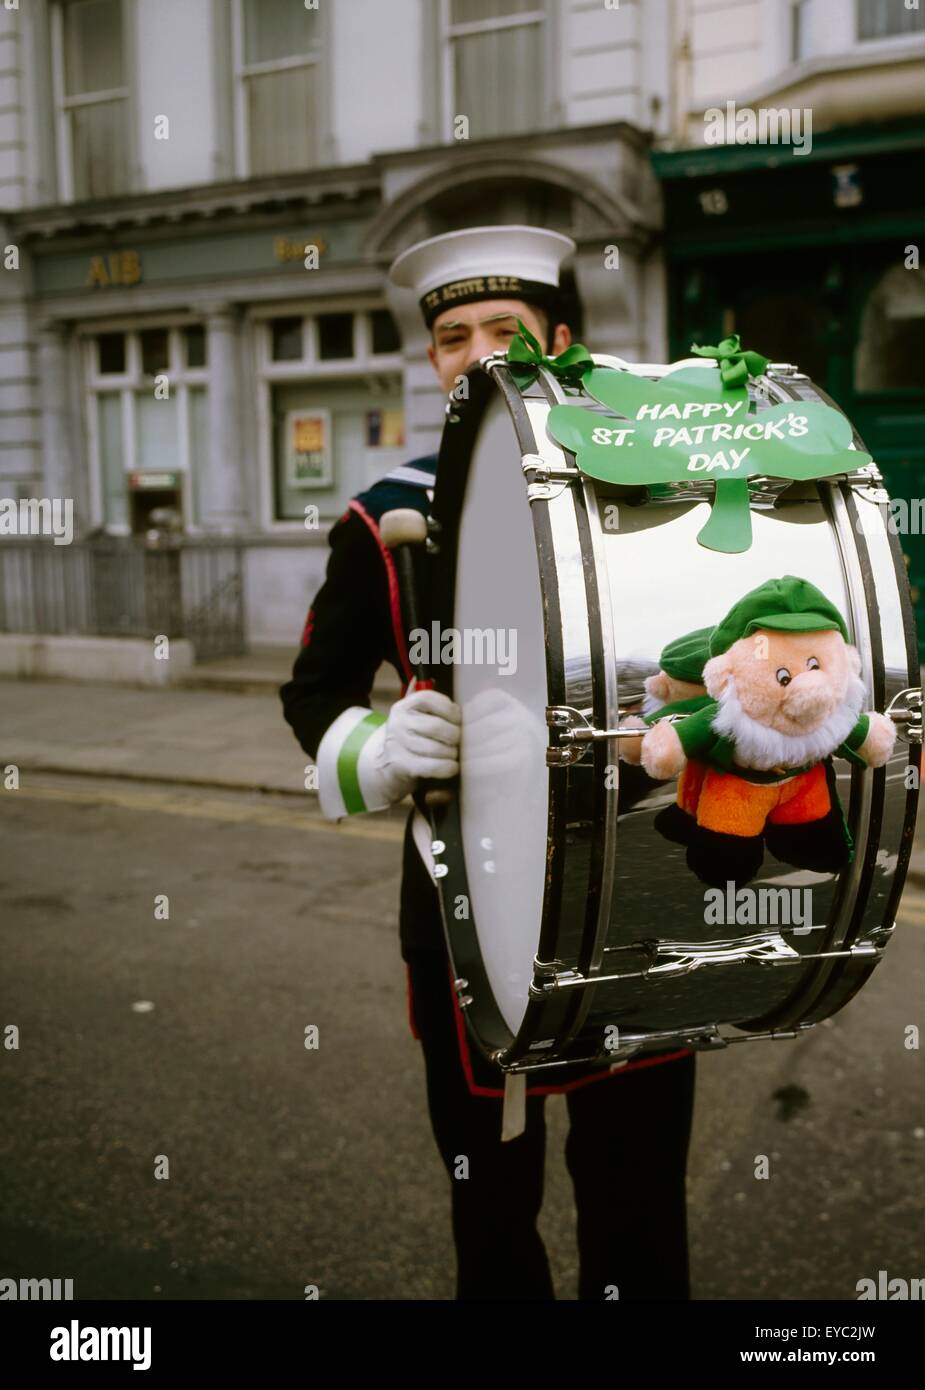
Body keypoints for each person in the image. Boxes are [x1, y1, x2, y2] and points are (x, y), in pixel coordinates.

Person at [280, 225, 697, 1300]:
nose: (472, 353)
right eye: (450, 336)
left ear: (558, 340)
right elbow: (314, 692)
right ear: (432, 359)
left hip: (633, 896)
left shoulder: (650, 494)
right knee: (490, 1205)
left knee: (637, 1198)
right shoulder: (383, 518)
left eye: (502, 329)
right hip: (464, 915)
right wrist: (371, 753)